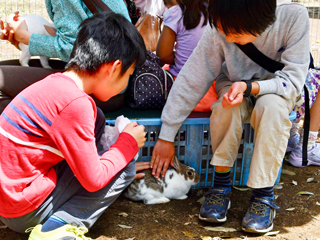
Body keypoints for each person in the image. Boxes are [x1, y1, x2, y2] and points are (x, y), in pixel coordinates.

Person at [150, 0, 310, 234]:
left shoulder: (294, 17)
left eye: (232, 32)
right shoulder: (219, 27)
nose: (224, 36)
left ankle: (264, 194)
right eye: (222, 29)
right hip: (234, 85)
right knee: (225, 108)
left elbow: (294, 81)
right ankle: (221, 185)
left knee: (272, 109)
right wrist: (166, 136)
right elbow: (191, 81)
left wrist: (251, 87)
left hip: (277, 89)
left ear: (258, 23)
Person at [0, 11, 147, 240]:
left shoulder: (57, 85)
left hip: (11, 197)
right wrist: (126, 146)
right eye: (128, 74)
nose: (126, 81)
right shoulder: (75, 105)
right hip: (24, 210)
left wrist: (112, 160)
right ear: (114, 68)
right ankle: (57, 229)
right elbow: (94, 180)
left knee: (97, 119)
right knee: (125, 167)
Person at [0, 0, 131, 113]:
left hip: (106, 88)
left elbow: (74, 49)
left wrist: (25, 37)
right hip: (111, 79)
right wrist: (22, 40)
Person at [156, 0, 217, 112]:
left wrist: (182, 58)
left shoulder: (177, 13)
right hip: (216, 91)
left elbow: (162, 55)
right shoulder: (222, 13)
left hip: (182, 90)